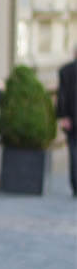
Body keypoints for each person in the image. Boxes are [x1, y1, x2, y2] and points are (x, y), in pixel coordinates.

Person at [56, 49, 77, 196]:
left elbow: (61, 95)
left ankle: (75, 185)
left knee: (73, 152)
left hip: (71, 118)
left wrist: (63, 116)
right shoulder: (65, 71)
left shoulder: (65, 70)